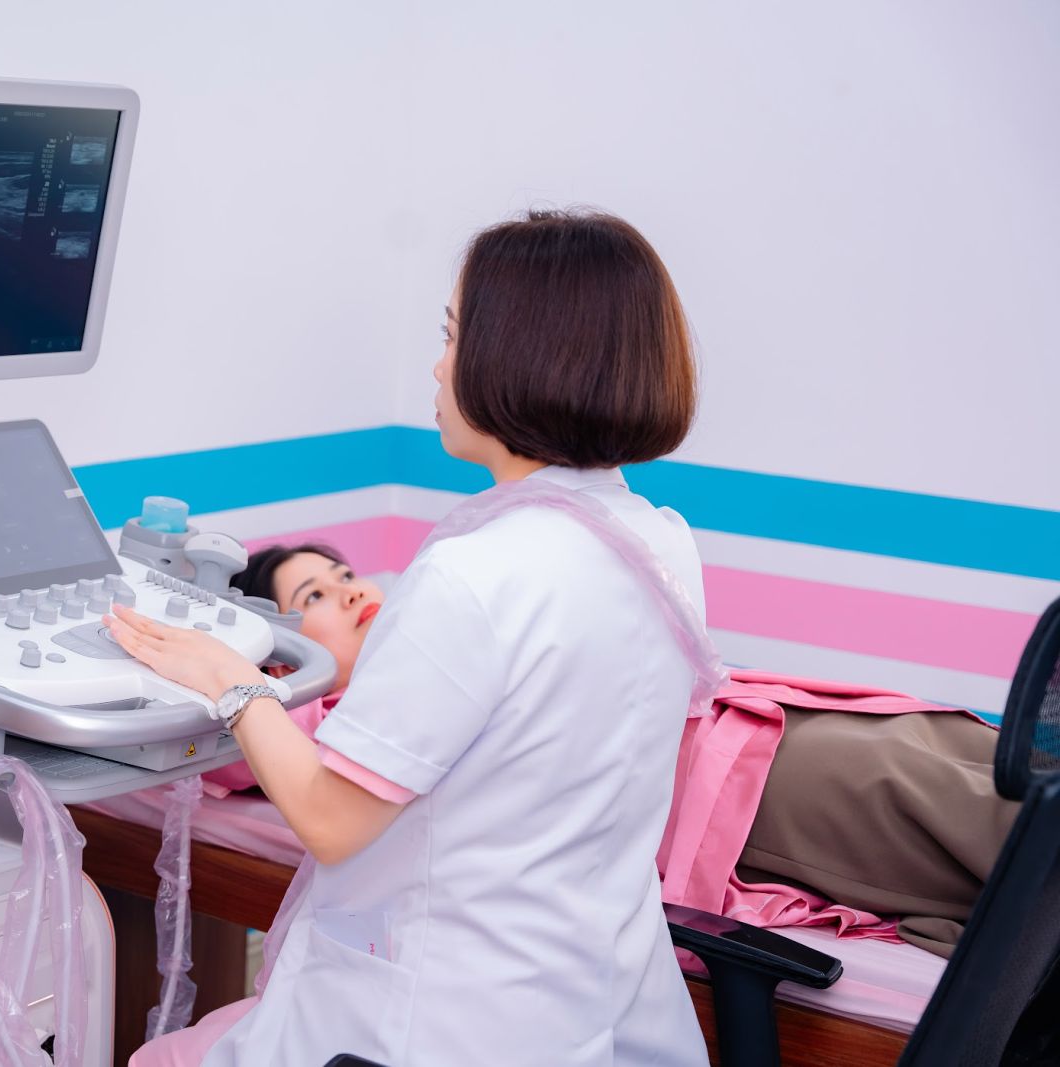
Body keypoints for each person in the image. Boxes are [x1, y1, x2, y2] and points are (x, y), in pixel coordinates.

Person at [107, 209, 715, 1066]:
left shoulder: (477, 573)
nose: (438, 365)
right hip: (603, 1012)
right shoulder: (662, 542)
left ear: (518, 354)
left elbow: (331, 820)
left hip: (446, 1028)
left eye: (453, 335)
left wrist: (229, 679)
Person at [229, 542, 1018, 959]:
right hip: (758, 784)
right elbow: (242, 759)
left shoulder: (448, 628)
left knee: (991, 760)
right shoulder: (336, 720)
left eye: (343, 573)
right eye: (315, 596)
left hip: (769, 716)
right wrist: (240, 671)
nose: (351, 589)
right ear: (283, 654)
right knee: (1000, 833)